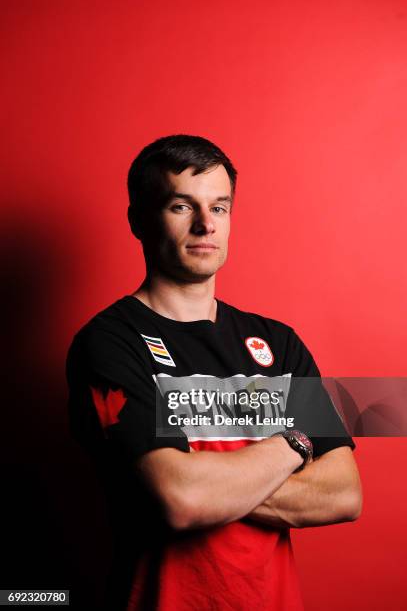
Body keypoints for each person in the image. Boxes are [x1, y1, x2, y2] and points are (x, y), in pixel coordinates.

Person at [66, 134, 362, 611]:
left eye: (220, 208)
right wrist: (296, 442)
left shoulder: (279, 343)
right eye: (182, 207)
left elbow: (345, 493)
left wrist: (212, 481)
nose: (206, 225)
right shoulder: (108, 343)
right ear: (138, 220)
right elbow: (180, 498)